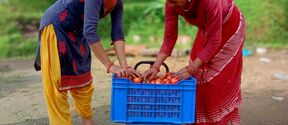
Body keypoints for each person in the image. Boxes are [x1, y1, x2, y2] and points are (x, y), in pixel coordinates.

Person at [33, 0, 139, 125]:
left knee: (83, 76)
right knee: (57, 82)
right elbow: (90, 32)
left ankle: (88, 122)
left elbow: (117, 35)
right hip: (57, 26)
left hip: (77, 30)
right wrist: (109, 65)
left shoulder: (118, 2)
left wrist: (124, 66)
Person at [142, 0, 245, 124]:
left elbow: (214, 41)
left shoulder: (209, 2)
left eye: (175, 2)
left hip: (230, 25)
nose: (173, 5)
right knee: (197, 75)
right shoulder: (171, 3)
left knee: (216, 77)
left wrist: (191, 69)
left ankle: (221, 118)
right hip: (207, 28)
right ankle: (201, 119)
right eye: (171, 2)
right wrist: (156, 67)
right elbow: (170, 37)